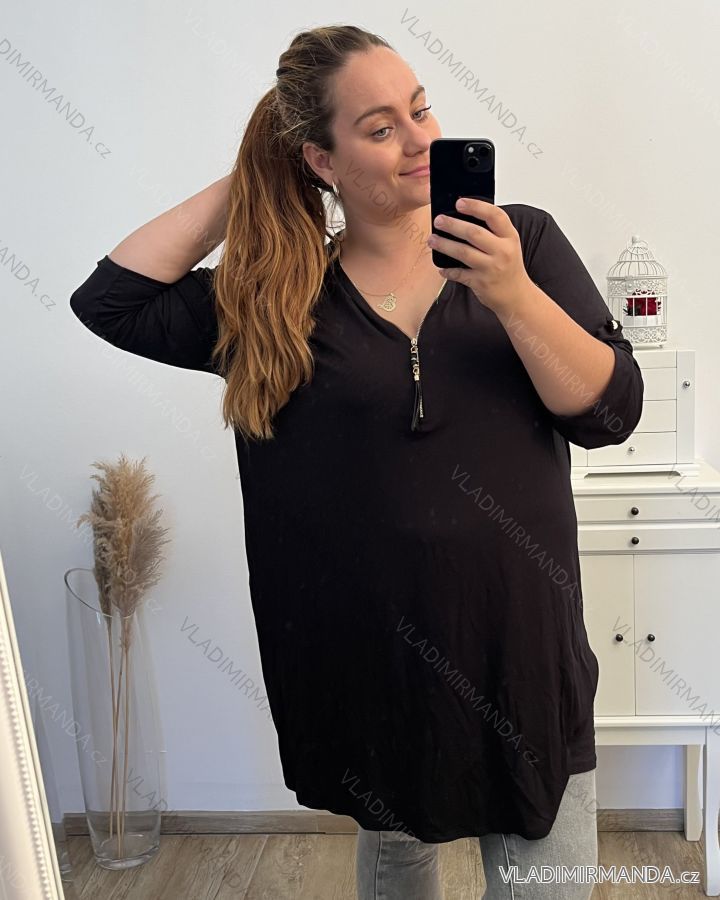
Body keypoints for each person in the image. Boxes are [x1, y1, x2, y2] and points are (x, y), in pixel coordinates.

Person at [68, 24, 644, 900]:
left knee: (550, 884)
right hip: (374, 669)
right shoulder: (274, 299)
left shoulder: (519, 244)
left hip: (521, 657)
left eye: (420, 110)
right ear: (321, 160)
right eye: (379, 128)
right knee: (396, 864)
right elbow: (110, 301)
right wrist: (256, 172)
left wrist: (512, 295)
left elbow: (610, 412)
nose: (419, 140)